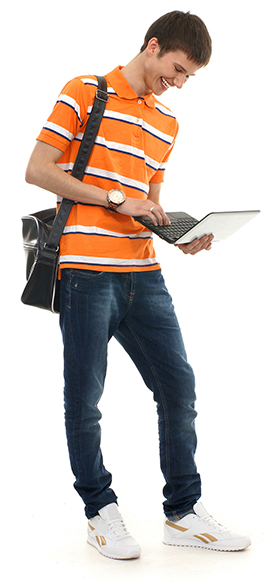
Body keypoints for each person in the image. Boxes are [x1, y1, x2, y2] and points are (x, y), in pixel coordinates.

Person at [25, 10, 251, 560]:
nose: (178, 84)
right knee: (85, 399)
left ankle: (184, 512)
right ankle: (100, 513)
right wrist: (113, 199)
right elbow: (38, 169)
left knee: (178, 388)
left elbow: (150, 201)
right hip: (84, 269)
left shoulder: (166, 123)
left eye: (188, 78)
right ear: (153, 47)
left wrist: (179, 233)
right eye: (176, 70)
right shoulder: (85, 91)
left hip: (144, 272)